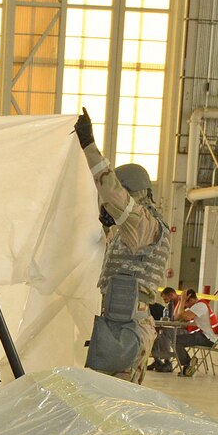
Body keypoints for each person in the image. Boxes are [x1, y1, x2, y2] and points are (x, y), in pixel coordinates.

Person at [75, 108, 171, 385]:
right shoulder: (134, 230)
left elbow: (113, 192)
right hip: (122, 323)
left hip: (126, 326)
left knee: (110, 398)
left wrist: (89, 147)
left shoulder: (144, 223)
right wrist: (106, 225)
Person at [176, 287, 218, 375]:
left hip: (208, 339)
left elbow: (185, 317)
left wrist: (182, 301)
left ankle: (187, 364)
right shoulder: (196, 305)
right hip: (203, 335)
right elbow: (177, 317)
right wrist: (180, 301)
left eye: (186, 302)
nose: (186, 306)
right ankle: (188, 364)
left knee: (176, 340)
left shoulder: (200, 306)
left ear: (191, 299)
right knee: (176, 339)